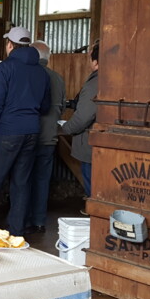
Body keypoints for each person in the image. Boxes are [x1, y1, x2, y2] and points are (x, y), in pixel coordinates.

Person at [0, 26, 51, 236]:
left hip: (7, 132)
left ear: (10, 45)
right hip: (32, 131)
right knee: (21, 182)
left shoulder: (5, 68)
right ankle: (16, 230)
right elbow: (45, 106)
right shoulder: (41, 72)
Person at [25, 41, 66, 235]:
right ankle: (39, 220)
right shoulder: (58, 78)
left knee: (23, 178)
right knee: (42, 180)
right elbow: (62, 107)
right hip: (50, 136)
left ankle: (22, 218)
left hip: (29, 135)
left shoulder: (29, 75)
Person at [62, 42, 99, 197]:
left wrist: (65, 128)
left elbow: (84, 116)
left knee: (93, 189)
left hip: (91, 144)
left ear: (95, 62)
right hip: (97, 145)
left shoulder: (95, 83)